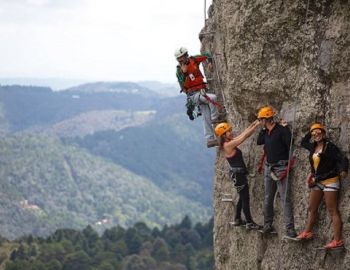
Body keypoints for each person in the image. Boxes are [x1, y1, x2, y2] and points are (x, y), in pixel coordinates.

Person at [297, 123, 348, 248]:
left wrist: (344, 170)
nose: (316, 135)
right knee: (311, 208)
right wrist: (312, 130)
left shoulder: (330, 147)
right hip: (318, 181)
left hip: (330, 180)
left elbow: (343, 159)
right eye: (314, 134)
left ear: (324, 134)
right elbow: (303, 142)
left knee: (332, 210)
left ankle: (337, 240)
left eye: (319, 133)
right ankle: (307, 232)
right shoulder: (313, 146)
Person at [256, 106, 297, 237]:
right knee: (268, 197)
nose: (259, 122)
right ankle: (268, 224)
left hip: (280, 167)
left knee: (285, 198)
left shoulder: (281, 130)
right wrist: (263, 130)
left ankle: (290, 228)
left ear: (266, 119)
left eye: (261, 120)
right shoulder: (266, 132)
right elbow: (259, 141)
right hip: (269, 167)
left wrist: (286, 129)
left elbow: (289, 142)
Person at [215, 121, 262, 230]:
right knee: (245, 197)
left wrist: (252, 125)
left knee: (242, 196)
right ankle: (249, 222)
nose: (230, 132)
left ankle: (237, 218)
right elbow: (243, 137)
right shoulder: (228, 145)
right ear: (223, 135)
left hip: (238, 174)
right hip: (239, 175)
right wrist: (255, 126)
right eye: (228, 131)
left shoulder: (228, 143)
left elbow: (242, 135)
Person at [175, 47, 224, 148]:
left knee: (206, 115)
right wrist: (184, 73)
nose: (181, 60)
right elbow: (183, 85)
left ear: (186, 55)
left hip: (201, 91)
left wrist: (210, 62)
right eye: (179, 58)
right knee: (213, 98)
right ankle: (215, 118)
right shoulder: (179, 71)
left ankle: (210, 140)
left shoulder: (194, 60)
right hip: (193, 95)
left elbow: (207, 54)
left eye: (182, 57)